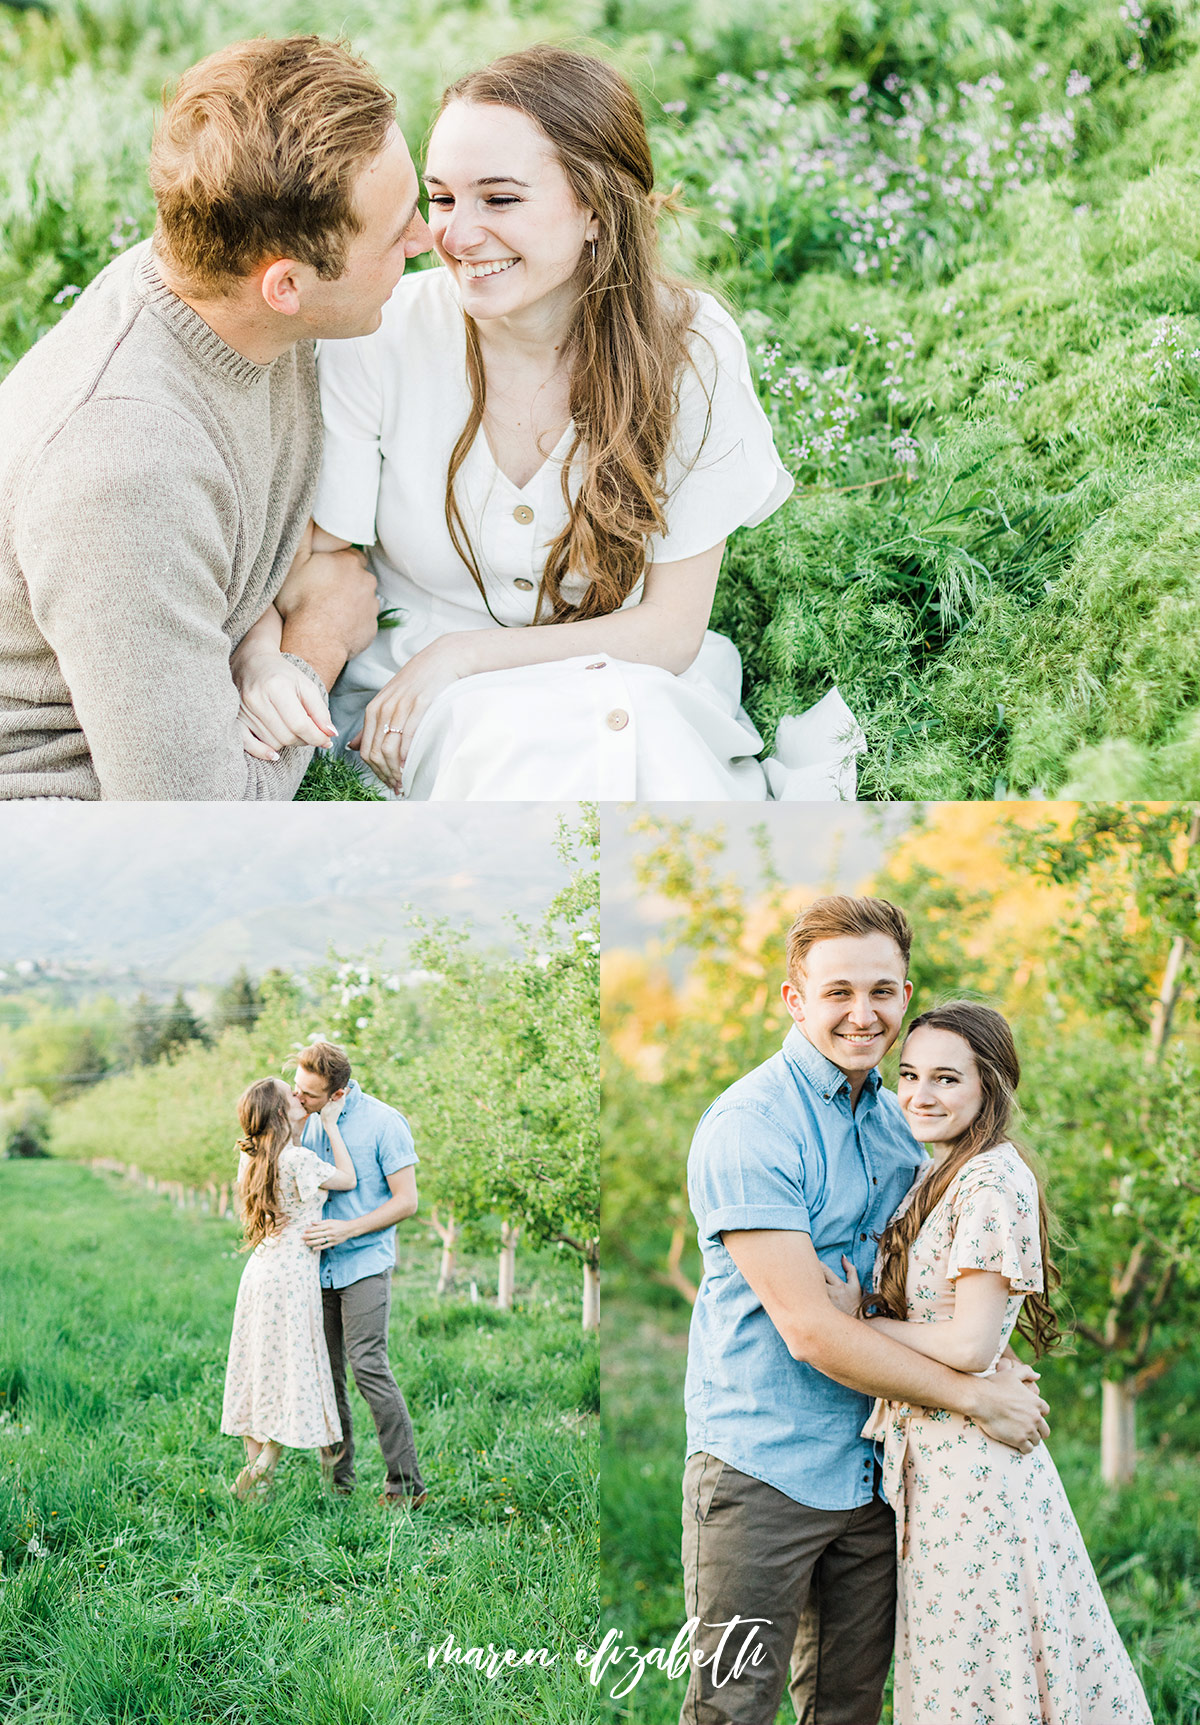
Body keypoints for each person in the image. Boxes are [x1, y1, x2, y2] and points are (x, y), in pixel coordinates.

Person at [237, 45, 863, 801]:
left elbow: (668, 631)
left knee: (637, 761)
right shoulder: (381, 334)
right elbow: (315, 562)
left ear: (596, 207)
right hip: (424, 703)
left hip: (625, 678)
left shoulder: (689, 347)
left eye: (499, 201)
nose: (457, 237)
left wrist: (467, 655)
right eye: (441, 200)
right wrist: (268, 658)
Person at [0, 35, 430, 799]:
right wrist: (318, 639)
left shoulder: (241, 294)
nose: (427, 240)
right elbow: (203, 827)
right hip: (53, 807)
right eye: (399, 232)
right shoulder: (125, 469)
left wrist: (264, 643)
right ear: (286, 285)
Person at [681, 895, 1051, 1725]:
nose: (863, 1012)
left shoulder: (899, 1120)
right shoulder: (751, 1126)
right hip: (762, 1469)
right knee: (732, 1709)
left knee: (847, 1709)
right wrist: (973, 1392)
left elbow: (919, 1289)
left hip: (877, 1474)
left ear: (906, 993)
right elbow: (811, 1330)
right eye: (838, 990)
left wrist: (986, 1349)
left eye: (882, 991)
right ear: (794, 998)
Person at [823, 1002, 1152, 1725]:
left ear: (990, 1086)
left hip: (974, 1476)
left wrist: (861, 1320)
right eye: (908, 1074)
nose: (919, 1094)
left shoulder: (990, 1183)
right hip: (941, 1467)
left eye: (946, 1077)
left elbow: (970, 1345)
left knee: (980, 1675)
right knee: (963, 1667)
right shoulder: (943, 1171)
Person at [292, 1041, 426, 1507]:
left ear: (338, 1093)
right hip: (316, 1267)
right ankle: (339, 1483)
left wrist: (347, 1229)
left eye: (309, 1094)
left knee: (369, 1367)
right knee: (326, 1376)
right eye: (297, 1088)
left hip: (364, 1262)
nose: (299, 1099)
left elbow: (406, 1201)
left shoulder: (385, 1123)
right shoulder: (306, 1122)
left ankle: (405, 1486)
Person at [220, 1076, 357, 1499]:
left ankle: (257, 1476)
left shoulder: (252, 1158)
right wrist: (332, 1125)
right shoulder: (298, 1158)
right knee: (291, 1369)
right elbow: (348, 1179)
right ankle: (263, 1465)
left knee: (259, 1366)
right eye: (291, 1094)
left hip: (260, 1270)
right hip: (293, 1277)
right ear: (281, 1113)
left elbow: (249, 1209)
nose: (299, 1096)